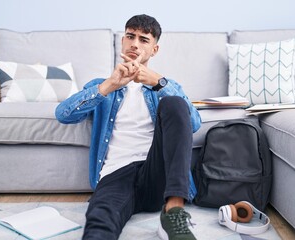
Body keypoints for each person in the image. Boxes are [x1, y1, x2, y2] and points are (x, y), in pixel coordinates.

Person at [55, 14, 201, 240]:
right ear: (122, 41)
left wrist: (159, 83)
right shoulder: (100, 86)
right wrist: (109, 85)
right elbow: (63, 115)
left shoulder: (165, 86)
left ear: (154, 50)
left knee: (175, 103)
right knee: (99, 221)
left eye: (144, 40)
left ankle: (173, 212)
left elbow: (193, 124)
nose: (135, 43)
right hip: (116, 173)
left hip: (156, 174)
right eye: (130, 36)